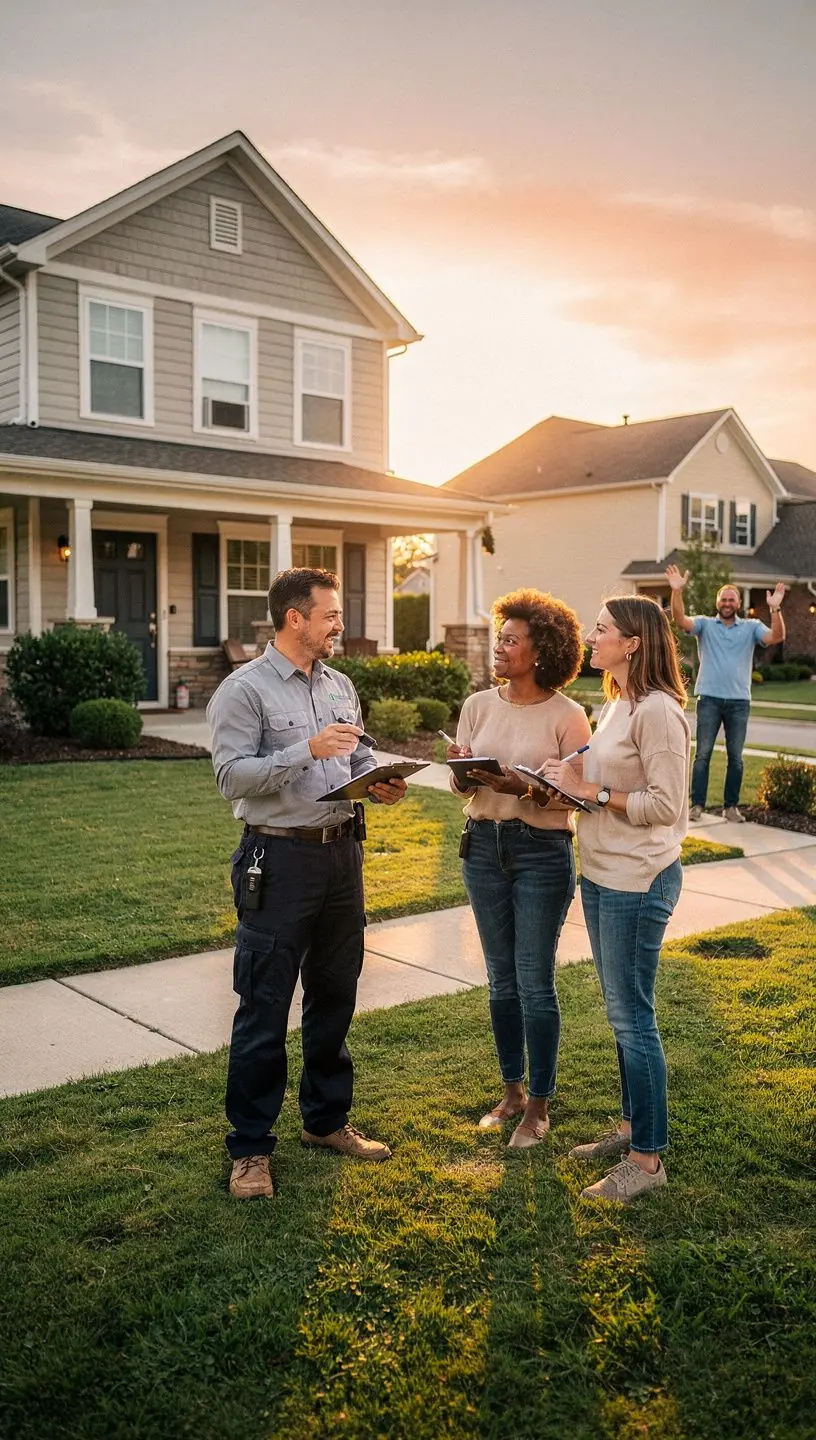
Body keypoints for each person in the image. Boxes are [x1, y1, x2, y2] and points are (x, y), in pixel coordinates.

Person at [207, 567, 406, 1200]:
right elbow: (232, 777)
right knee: (264, 1006)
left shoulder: (341, 684)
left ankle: (325, 1122)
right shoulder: (245, 691)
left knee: (334, 995)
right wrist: (306, 751)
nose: (338, 625)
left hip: (341, 858)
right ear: (296, 619)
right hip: (278, 861)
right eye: (330, 616)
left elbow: (359, 753)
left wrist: (379, 778)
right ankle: (250, 1151)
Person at [542, 595, 690, 1204]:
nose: (590, 638)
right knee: (620, 1012)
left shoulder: (660, 711)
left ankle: (646, 1160)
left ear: (633, 643)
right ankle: (631, 1125)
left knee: (634, 1018)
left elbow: (666, 805)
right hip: (601, 872)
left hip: (639, 878)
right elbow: (595, 770)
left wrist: (593, 791)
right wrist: (562, 770)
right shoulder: (618, 704)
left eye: (600, 630)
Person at [448, 589, 591, 1149]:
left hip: (540, 854)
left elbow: (576, 798)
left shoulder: (569, 715)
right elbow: (461, 785)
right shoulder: (478, 705)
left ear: (540, 652)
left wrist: (524, 786)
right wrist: (464, 773)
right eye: (498, 638)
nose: (499, 648)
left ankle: (539, 1104)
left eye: (510, 640)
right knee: (501, 982)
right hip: (482, 846)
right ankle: (510, 1091)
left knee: (534, 982)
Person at [666, 566, 786, 822]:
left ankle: (731, 807)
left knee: (736, 757)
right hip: (708, 699)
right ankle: (697, 805)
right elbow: (680, 619)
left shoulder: (752, 627)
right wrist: (676, 592)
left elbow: (777, 636)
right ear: (717, 602)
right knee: (703, 755)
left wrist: (775, 608)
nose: (727, 603)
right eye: (724, 599)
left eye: (732, 599)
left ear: (738, 603)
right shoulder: (706, 625)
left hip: (739, 702)